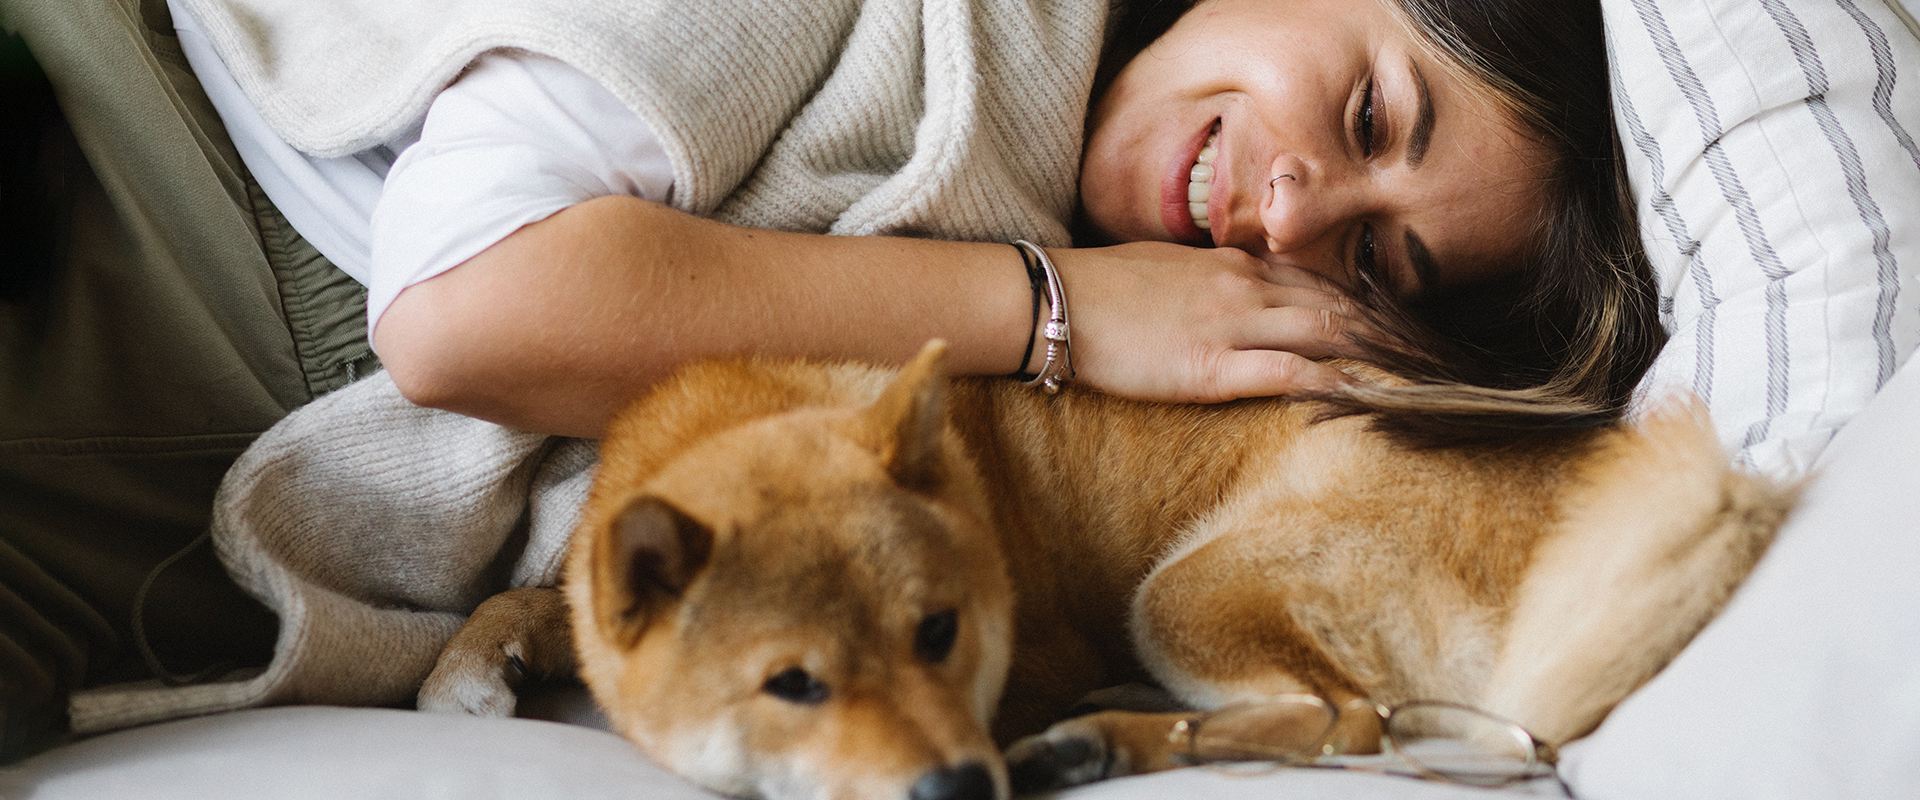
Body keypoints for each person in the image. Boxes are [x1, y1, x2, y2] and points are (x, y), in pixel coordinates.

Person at [0, 0, 1658, 762]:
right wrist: (1053, 304)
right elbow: (464, 303)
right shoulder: (909, 38)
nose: (1296, 209)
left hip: (183, 530)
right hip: (144, 209)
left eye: (1374, 265)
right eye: (1369, 114)